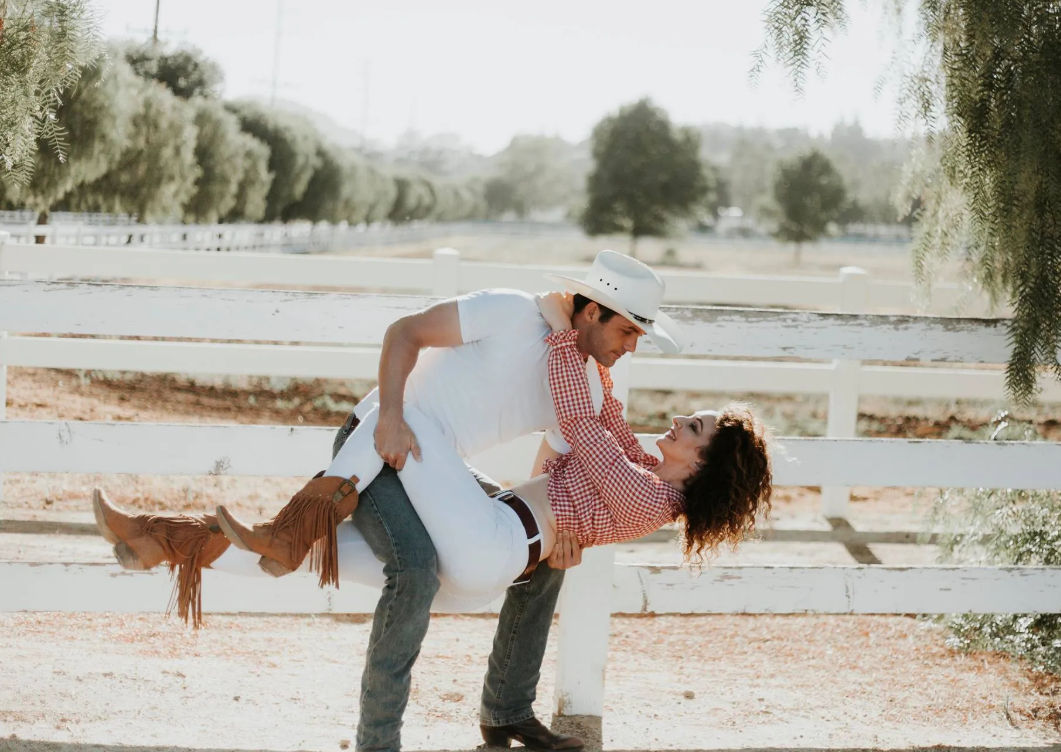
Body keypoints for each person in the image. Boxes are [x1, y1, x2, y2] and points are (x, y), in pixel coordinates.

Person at [92, 250, 765, 752]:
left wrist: (569, 528)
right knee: (374, 502)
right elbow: (578, 439)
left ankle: (294, 534)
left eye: (694, 430)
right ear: (593, 310)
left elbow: (584, 440)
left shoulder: (612, 431)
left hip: (470, 518)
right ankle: (163, 539)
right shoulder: (523, 327)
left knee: (416, 486)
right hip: (419, 474)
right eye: (626, 333)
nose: (629, 349)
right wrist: (392, 417)